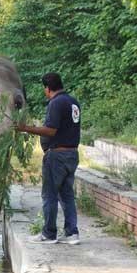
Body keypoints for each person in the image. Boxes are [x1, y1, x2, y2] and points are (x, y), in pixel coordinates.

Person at [16, 73, 81, 245]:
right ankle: (72, 233)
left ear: (47, 88)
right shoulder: (73, 101)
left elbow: (50, 131)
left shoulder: (56, 103)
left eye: (44, 89)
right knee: (67, 194)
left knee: (49, 195)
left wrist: (25, 128)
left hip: (57, 156)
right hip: (72, 154)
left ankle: (49, 234)